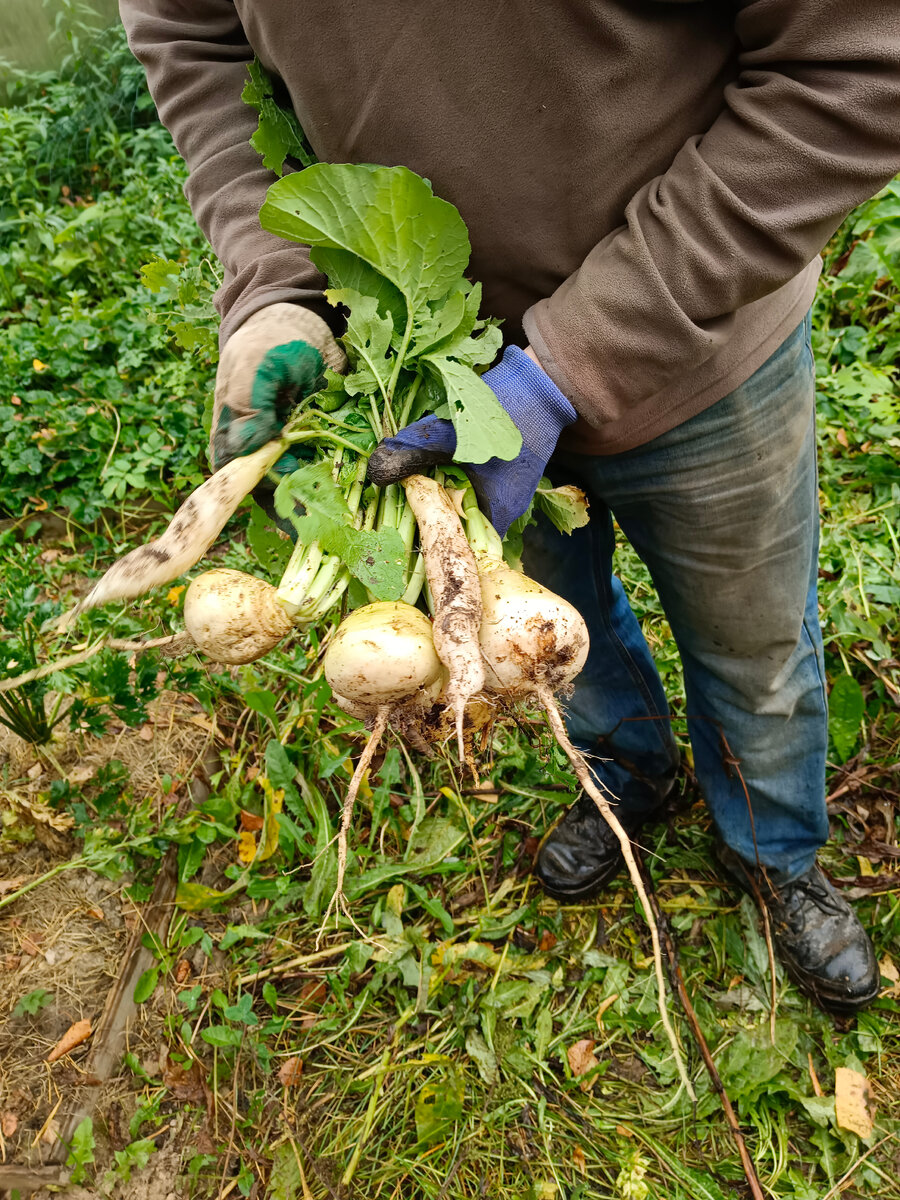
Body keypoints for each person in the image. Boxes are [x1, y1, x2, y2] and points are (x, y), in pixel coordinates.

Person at [120, 0, 900, 1014]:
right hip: (444, 388)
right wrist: (277, 287)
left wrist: (569, 364)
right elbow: (192, 39)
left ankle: (775, 848)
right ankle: (625, 770)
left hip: (704, 344)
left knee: (752, 645)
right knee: (543, 625)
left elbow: (857, 64)